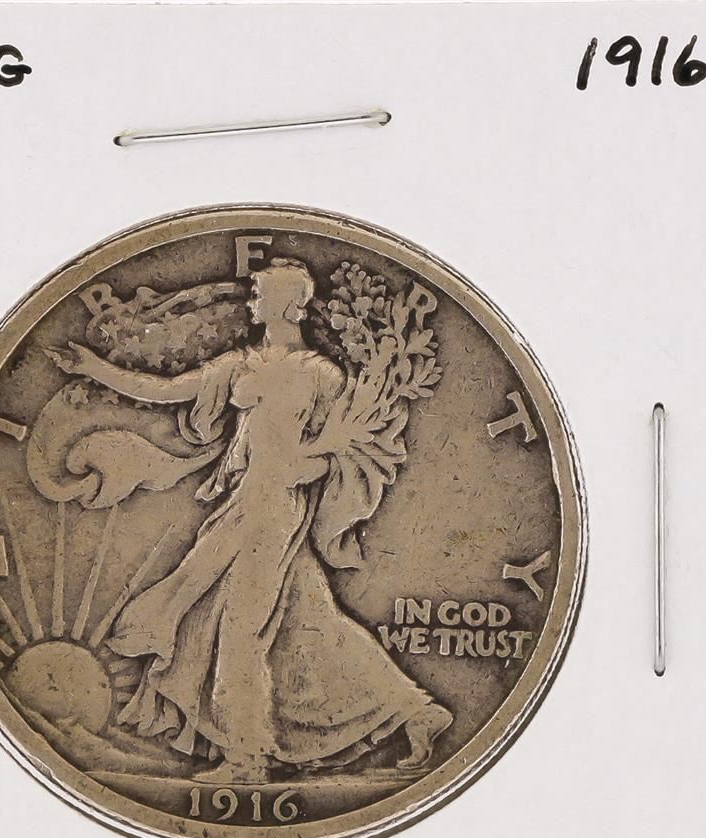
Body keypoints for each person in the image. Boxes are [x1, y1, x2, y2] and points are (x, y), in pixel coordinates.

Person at [63, 258, 452, 782]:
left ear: (290, 306)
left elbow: (348, 450)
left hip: (276, 510)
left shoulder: (322, 375)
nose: (251, 301)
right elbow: (167, 389)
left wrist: (306, 466)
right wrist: (94, 369)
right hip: (246, 502)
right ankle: (416, 712)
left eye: (260, 294)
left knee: (237, 627)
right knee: (309, 623)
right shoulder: (241, 365)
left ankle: (247, 758)